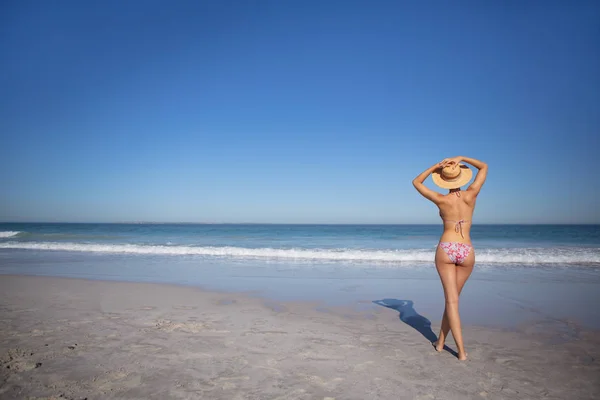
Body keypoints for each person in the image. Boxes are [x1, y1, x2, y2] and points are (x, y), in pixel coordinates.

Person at [412, 156, 488, 361]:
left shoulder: (441, 199)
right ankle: (440, 342)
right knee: (453, 301)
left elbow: (416, 182)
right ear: (461, 178)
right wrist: (461, 158)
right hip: (467, 250)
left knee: (451, 302)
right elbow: (484, 166)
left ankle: (461, 352)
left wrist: (434, 167)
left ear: (444, 180)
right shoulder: (471, 195)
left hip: (446, 248)